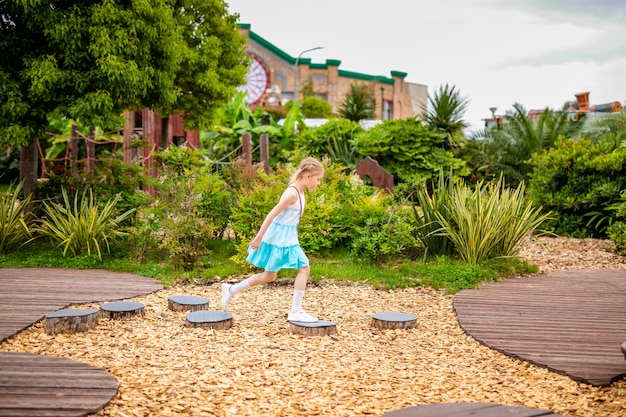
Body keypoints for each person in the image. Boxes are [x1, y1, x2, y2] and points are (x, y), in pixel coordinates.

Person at [221, 157, 325, 322]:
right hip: (281, 239)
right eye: (318, 179)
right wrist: (258, 237)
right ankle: (295, 311)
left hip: (286, 237)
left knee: (270, 276)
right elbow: (272, 214)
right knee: (304, 268)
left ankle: (231, 289)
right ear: (308, 177)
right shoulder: (292, 193)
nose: (319, 183)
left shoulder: (301, 192)